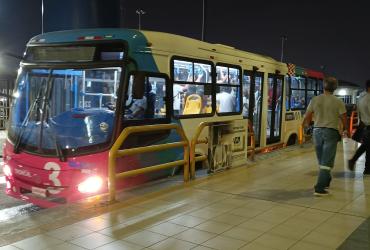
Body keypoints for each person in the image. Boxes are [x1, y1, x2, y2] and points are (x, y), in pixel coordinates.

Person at [302, 76, 347, 196]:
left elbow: (307, 116)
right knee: (326, 162)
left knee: (322, 159)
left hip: (317, 132)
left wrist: (307, 127)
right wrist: (345, 129)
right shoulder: (338, 101)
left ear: (323, 86)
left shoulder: (315, 99)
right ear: (335, 88)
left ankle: (326, 179)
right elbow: (343, 117)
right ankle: (320, 188)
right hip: (331, 132)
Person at [348, 80, 370, 173]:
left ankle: (366, 168)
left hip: (364, 124)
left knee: (367, 146)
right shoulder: (368, 98)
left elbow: (359, 112)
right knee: (367, 146)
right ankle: (365, 168)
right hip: (369, 125)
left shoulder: (361, 97)